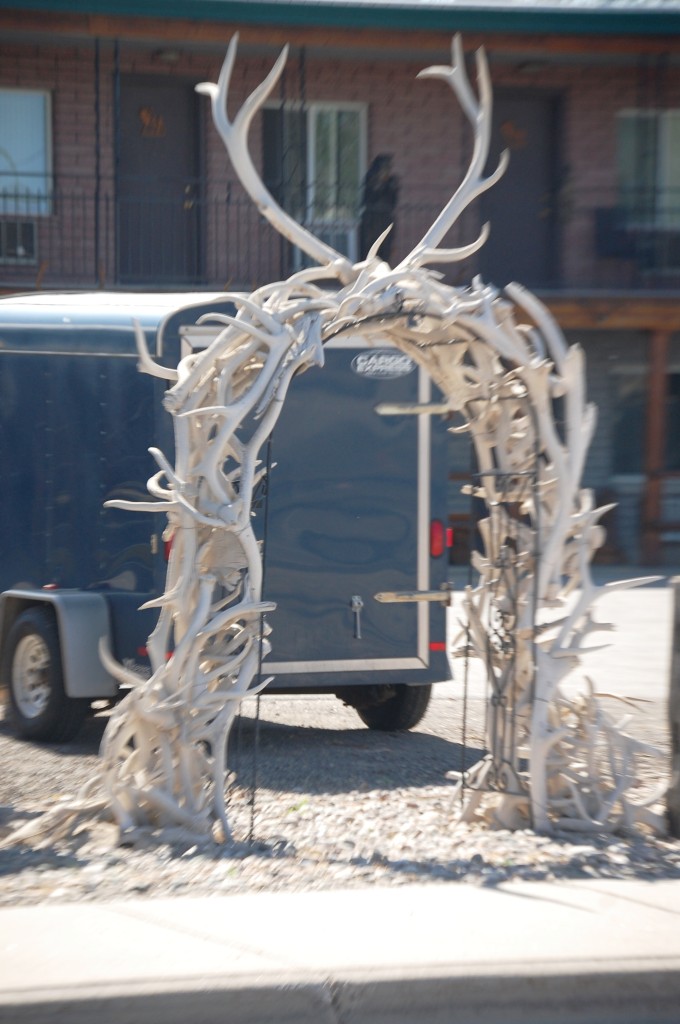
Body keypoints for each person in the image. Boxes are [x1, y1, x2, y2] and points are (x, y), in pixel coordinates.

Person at [359, 154, 399, 263]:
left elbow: (393, 202)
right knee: (369, 250)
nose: (388, 170)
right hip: (371, 220)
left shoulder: (392, 181)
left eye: (389, 167)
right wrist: (379, 183)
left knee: (385, 251)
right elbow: (369, 198)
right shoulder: (371, 178)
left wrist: (391, 186)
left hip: (386, 219)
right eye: (385, 167)